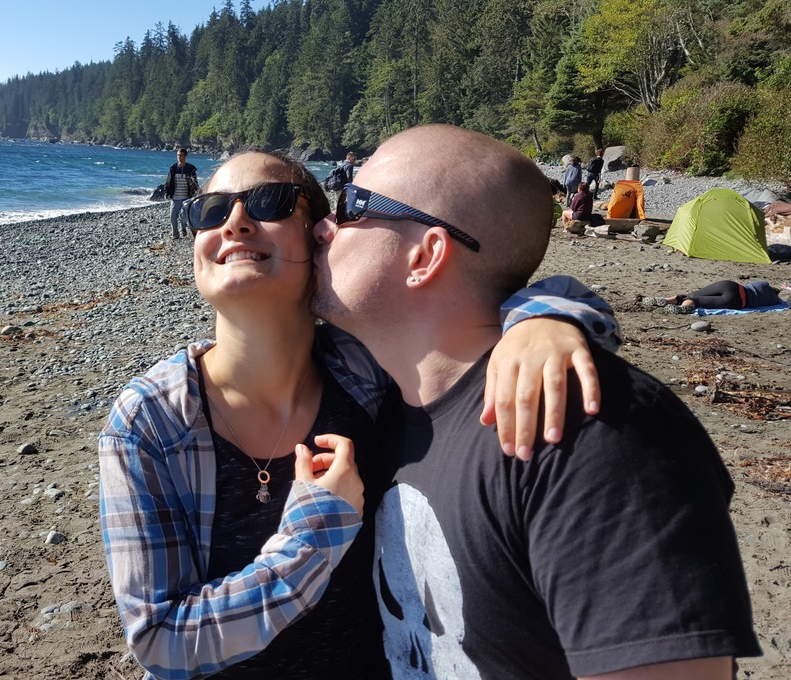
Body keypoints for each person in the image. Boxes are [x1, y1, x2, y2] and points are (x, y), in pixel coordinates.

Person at [99, 149, 617, 679]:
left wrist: (541, 320)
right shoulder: (150, 423)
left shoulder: (364, 367)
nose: (235, 222)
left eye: (268, 202)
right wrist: (313, 537)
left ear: (321, 234)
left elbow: (470, 298)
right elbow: (161, 642)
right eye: (212, 210)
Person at [311, 124, 760, 679]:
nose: (323, 226)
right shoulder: (383, 411)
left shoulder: (592, 429)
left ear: (425, 256)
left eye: (351, 204)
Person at [666, 279, 784, 311]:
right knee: (694, 299)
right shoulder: (773, 301)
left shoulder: (764, 284)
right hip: (737, 302)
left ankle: (668, 300)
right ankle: (682, 308)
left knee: (691, 294)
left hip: (731, 286)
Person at [166, 148, 199, 239]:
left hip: (186, 197)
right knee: (173, 217)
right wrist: (167, 192)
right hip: (175, 197)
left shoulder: (190, 169)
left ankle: (183, 228)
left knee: (183, 217)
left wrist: (196, 192)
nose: (179, 157)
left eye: (181, 155)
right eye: (178, 155)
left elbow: (194, 183)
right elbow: (169, 181)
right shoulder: (173, 168)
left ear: (185, 156)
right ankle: (175, 235)